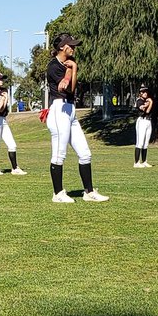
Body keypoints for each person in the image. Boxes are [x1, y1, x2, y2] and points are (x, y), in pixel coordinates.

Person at [46, 32, 108, 203]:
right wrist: (71, 69)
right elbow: (66, 88)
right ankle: (58, 193)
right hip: (59, 109)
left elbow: (72, 88)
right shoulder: (53, 66)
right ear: (61, 47)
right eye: (70, 45)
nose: (73, 48)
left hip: (70, 110)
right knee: (59, 155)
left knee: (85, 153)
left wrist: (73, 68)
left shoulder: (69, 63)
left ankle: (88, 192)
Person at [0, 71, 25, 175]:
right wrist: (3, 99)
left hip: (2, 118)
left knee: (12, 144)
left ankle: (15, 168)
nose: (1, 80)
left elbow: (2, 108)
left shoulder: (2, 91)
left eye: (2, 78)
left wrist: (5, 98)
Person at [133, 85, 154, 167]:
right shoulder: (139, 101)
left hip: (148, 121)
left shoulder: (148, 100)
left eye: (146, 92)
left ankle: (144, 161)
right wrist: (149, 103)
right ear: (140, 93)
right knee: (140, 142)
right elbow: (143, 109)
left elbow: (148, 111)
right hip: (141, 121)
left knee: (146, 143)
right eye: (143, 92)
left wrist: (150, 103)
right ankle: (136, 162)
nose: (145, 93)